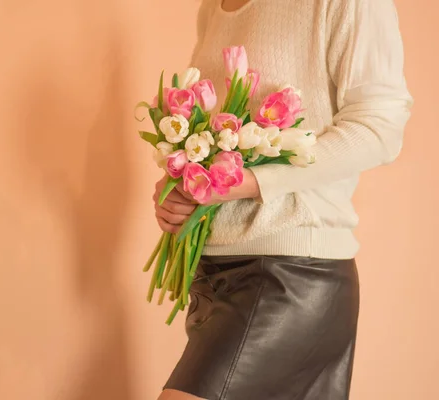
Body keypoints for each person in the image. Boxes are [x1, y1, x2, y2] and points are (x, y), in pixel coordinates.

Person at [153, 0, 413, 399]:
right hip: (212, 273)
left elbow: (380, 126)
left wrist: (254, 180)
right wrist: (180, 188)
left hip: (291, 274)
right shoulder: (213, 8)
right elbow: (210, 143)